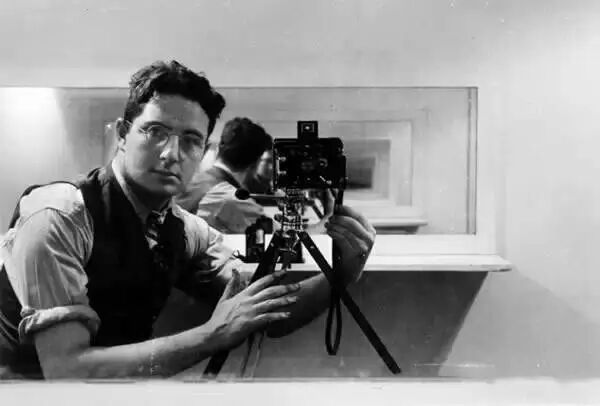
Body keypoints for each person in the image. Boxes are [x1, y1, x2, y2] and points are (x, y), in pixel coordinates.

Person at [0, 60, 375, 380]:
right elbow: (67, 370)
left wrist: (343, 272)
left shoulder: (185, 230)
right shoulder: (60, 216)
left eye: (191, 140)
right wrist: (213, 335)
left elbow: (265, 313)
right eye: (156, 132)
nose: (171, 153)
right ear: (122, 135)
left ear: (204, 151)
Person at [175, 117, 275, 234]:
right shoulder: (231, 199)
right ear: (255, 163)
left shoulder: (188, 181)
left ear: (219, 148)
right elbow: (279, 234)